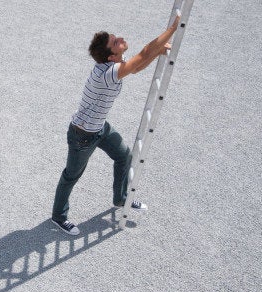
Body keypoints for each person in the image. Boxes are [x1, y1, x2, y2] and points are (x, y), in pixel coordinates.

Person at [51, 15, 181, 235]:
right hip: (82, 134)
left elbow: (137, 66)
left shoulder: (113, 66)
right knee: (71, 175)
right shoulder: (107, 73)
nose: (120, 38)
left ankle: (120, 199)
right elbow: (142, 55)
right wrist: (173, 29)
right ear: (112, 56)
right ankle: (58, 217)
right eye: (115, 42)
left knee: (124, 156)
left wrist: (157, 52)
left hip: (100, 128)